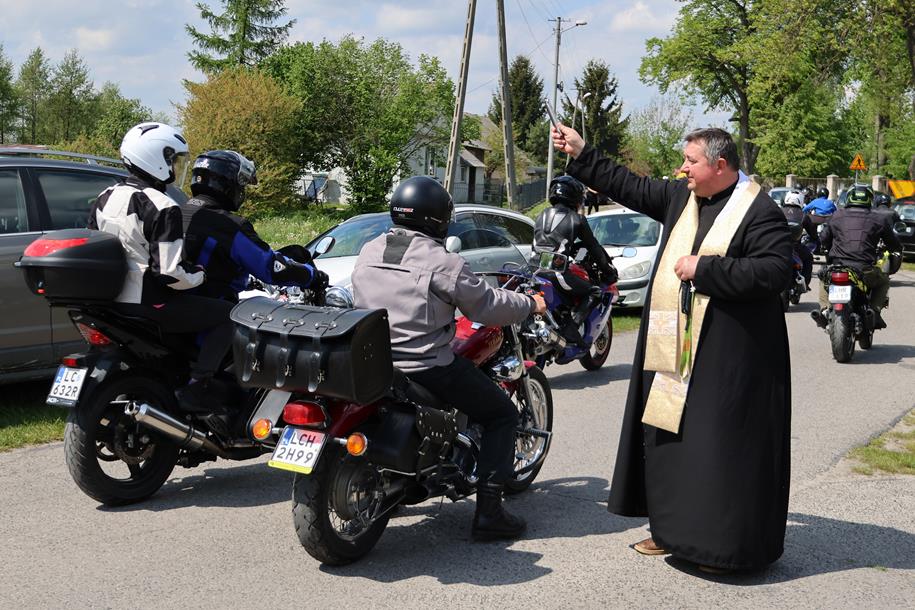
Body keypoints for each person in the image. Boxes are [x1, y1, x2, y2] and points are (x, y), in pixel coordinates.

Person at [552, 123, 792, 572]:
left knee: (717, 451)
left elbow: (776, 271)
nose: (682, 169)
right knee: (669, 442)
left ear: (720, 165)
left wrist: (706, 269)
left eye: (691, 161)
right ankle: (671, 532)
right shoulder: (683, 197)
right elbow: (629, 185)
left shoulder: (759, 210)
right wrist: (582, 153)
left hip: (729, 357)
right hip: (674, 349)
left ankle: (720, 549)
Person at [351, 176, 546, 541]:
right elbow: (487, 305)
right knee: (501, 414)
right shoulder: (441, 262)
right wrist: (528, 304)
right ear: (438, 218)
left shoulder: (370, 250)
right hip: (426, 366)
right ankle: (490, 513)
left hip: (374, 362)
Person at [87, 123, 235, 424]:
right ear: (154, 157)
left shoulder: (105, 196)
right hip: (149, 301)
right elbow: (169, 272)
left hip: (111, 301)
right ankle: (198, 386)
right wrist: (200, 275)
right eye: (171, 159)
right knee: (228, 315)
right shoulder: (163, 205)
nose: (174, 167)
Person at [180, 150, 328, 303]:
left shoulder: (176, 212)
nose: (241, 191)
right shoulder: (229, 225)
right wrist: (314, 276)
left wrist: (246, 280)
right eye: (241, 185)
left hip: (175, 306)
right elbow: (271, 267)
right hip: (213, 309)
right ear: (227, 183)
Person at [533, 175, 617, 346]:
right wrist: (608, 270)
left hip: (534, 270)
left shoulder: (541, 215)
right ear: (574, 196)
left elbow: (551, 243)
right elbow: (594, 247)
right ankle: (571, 328)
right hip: (556, 273)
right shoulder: (576, 219)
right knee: (594, 292)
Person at [812, 185, 902, 329]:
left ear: (849, 198)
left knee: (824, 277)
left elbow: (823, 239)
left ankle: (824, 310)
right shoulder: (878, 219)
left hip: (838, 267)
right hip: (865, 269)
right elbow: (893, 243)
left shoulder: (836, 215)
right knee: (883, 281)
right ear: (870, 199)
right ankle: (874, 311)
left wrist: (826, 248)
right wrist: (895, 249)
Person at [782, 191, 817, 288]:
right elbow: (813, 234)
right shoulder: (803, 215)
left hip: (778, 246)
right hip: (795, 247)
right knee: (808, 258)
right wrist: (816, 241)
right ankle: (806, 283)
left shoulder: (778, 212)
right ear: (801, 201)